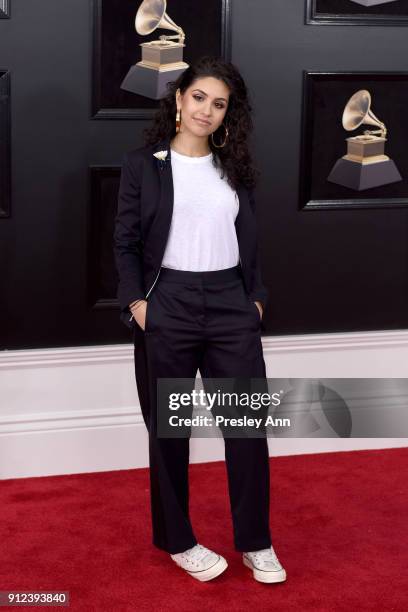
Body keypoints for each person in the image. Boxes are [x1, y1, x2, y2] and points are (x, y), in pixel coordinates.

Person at [113, 55, 286, 584]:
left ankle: (256, 541)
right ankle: (178, 540)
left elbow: (250, 241)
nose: (206, 111)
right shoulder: (145, 164)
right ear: (179, 99)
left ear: (228, 113)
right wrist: (138, 305)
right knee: (169, 429)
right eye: (198, 98)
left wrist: (254, 297)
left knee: (247, 427)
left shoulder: (235, 167)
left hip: (231, 302)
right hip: (170, 302)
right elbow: (125, 243)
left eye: (219, 104)